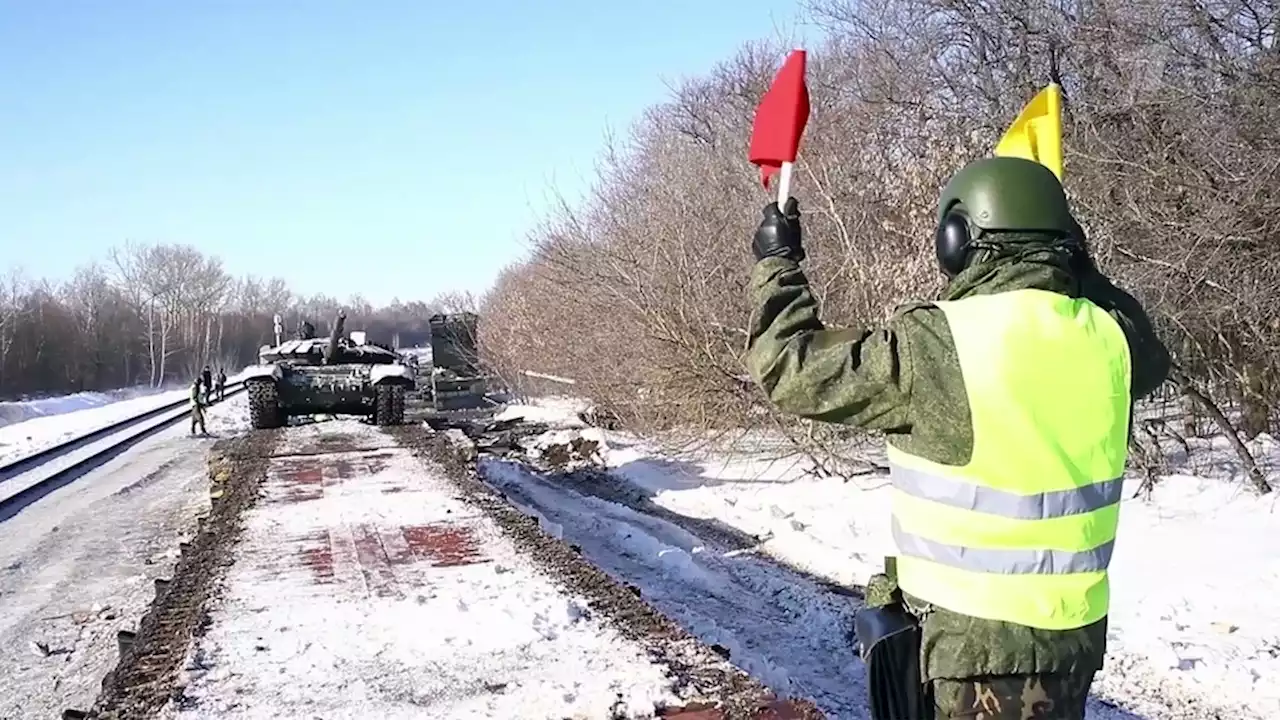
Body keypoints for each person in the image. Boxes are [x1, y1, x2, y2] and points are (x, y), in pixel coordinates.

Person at [745, 156, 1171, 719]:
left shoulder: (940, 342)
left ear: (958, 237)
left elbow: (789, 367)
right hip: (1072, 644)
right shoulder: (1110, 340)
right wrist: (1077, 265)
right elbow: (1152, 356)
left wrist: (778, 264)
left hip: (975, 653)